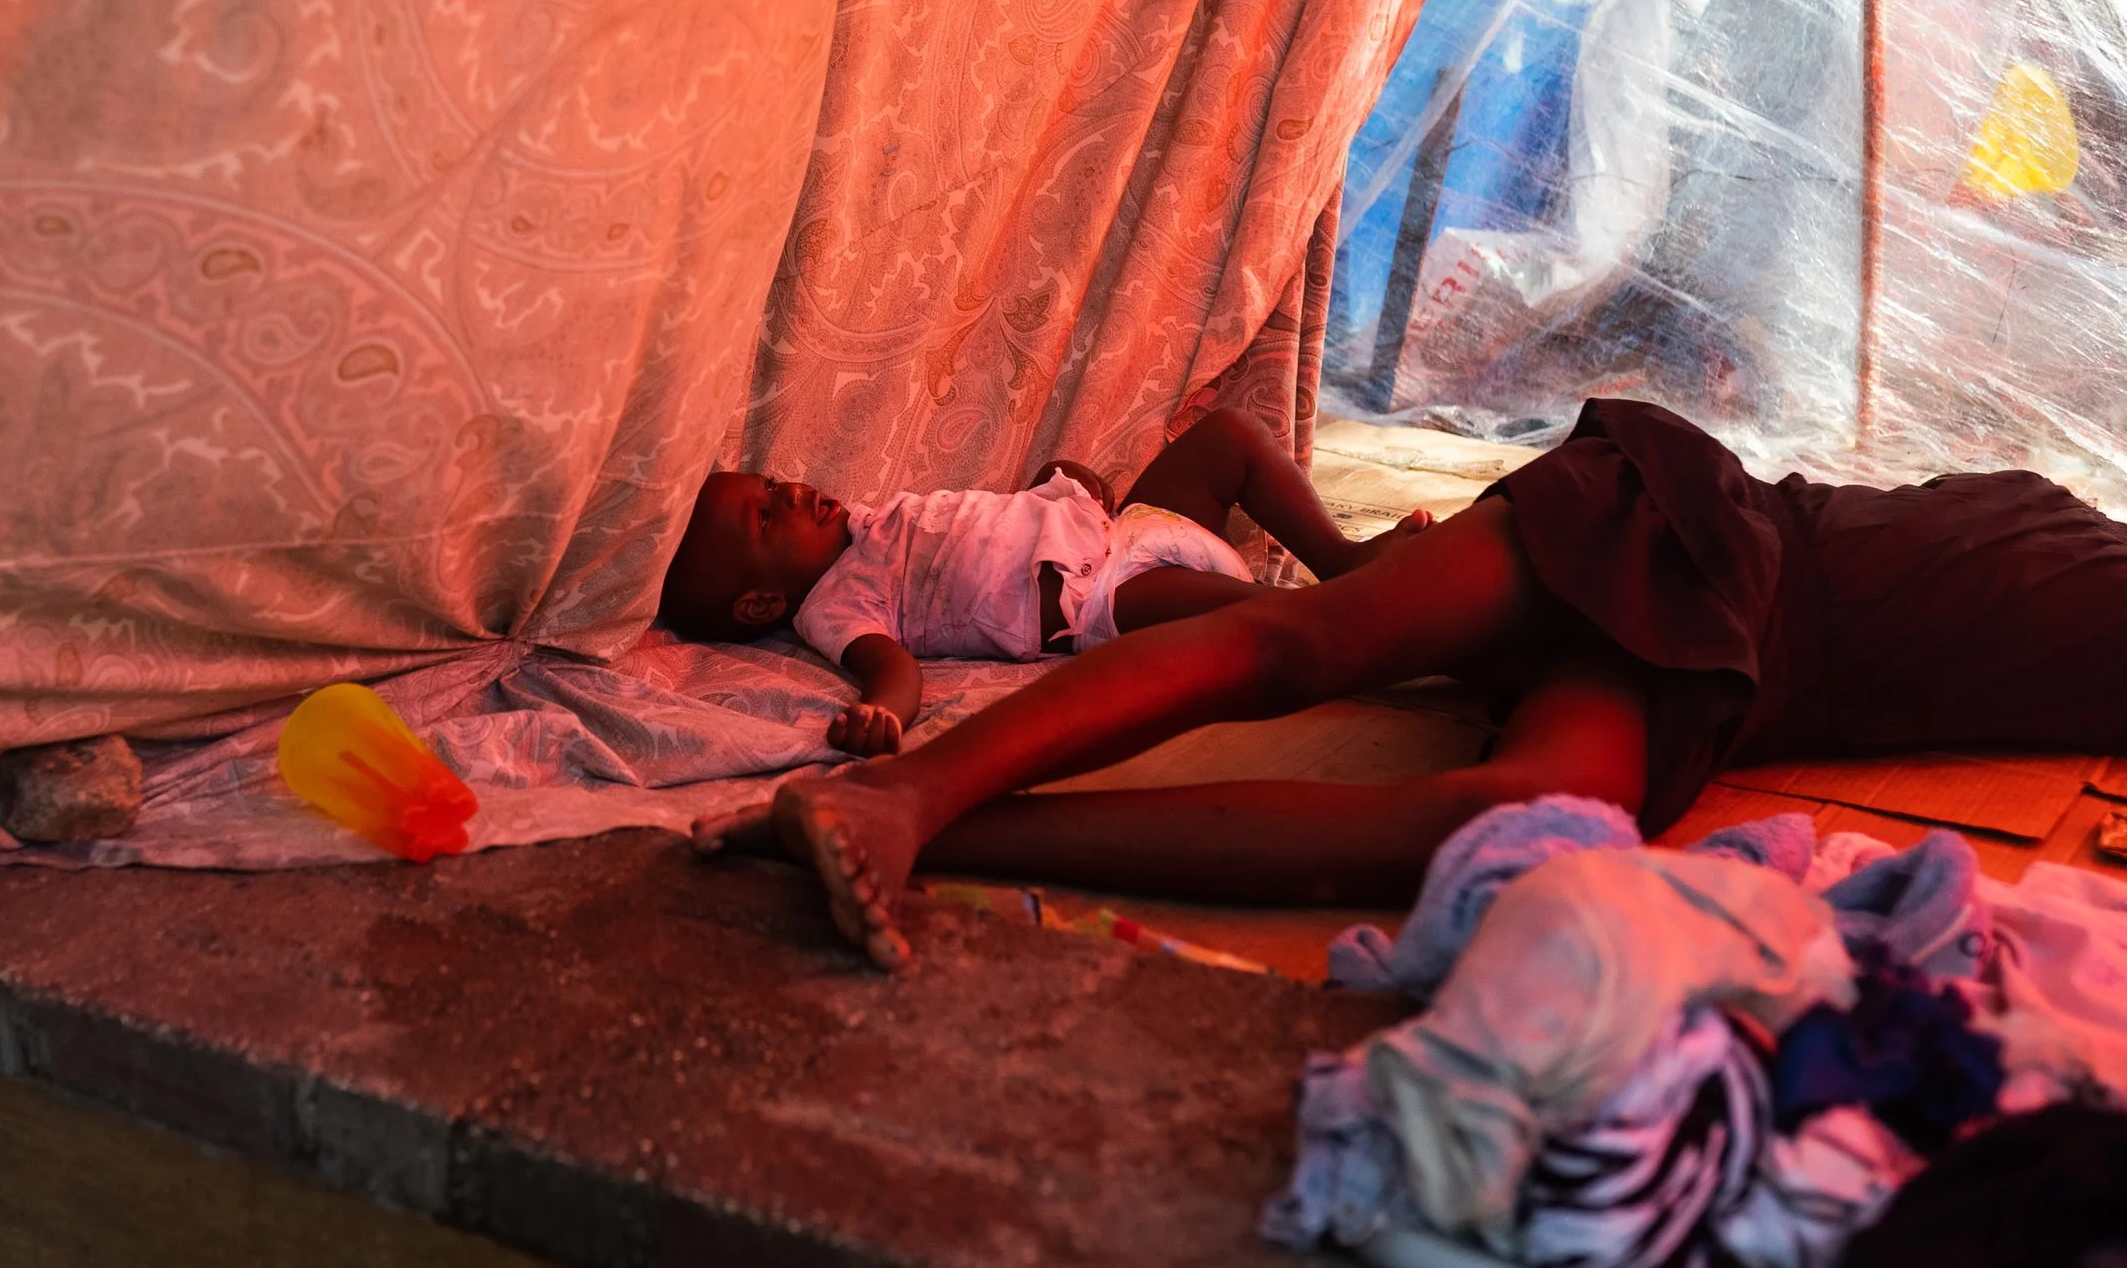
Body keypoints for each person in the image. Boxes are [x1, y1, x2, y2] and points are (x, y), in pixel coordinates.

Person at [699, 398, 2127, 969]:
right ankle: (909, 785)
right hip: (1711, 526)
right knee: (1308, 639)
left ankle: (911, 823)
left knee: (1501, 822)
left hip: (1731, 674)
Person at [658, 407, 1431, 756]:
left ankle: (1344, 558)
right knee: (1271, 621)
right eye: (767, 517)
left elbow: (989, 525)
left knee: (1230, 436)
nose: (789, 491)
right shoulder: (834, 604)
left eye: (771, 481)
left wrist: (1057, 486)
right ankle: (1377, 617)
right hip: (1101, 600)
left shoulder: (865, 518)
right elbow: (892, 670)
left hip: (1123, 527)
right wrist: (881, 718)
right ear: (761, 601)